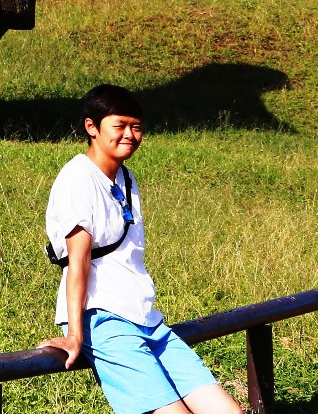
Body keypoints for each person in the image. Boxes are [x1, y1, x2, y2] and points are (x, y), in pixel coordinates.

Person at [39, 85, 240, 414]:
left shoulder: (126, 178)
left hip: (147, 319)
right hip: (103, 317)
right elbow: (79, 261)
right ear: (92, 127)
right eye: (119, 126)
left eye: (136, 127)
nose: (129, 135)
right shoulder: (77, 178)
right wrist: (75, 334)